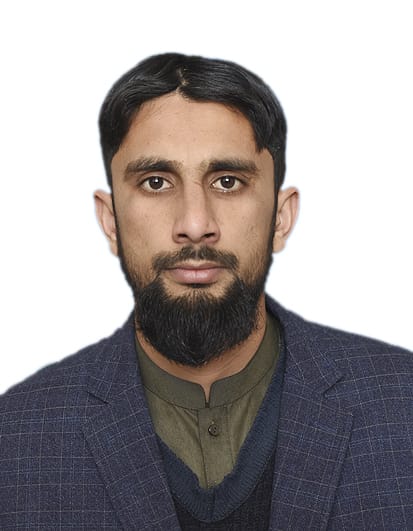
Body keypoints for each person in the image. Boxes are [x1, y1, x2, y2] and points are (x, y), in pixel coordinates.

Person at [0, 53, 412, 531]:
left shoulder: (402, 408)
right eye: (156, 182)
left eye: (227, 182)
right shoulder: (17, 439)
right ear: (110, 221)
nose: (195, 225)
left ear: (281, 218)